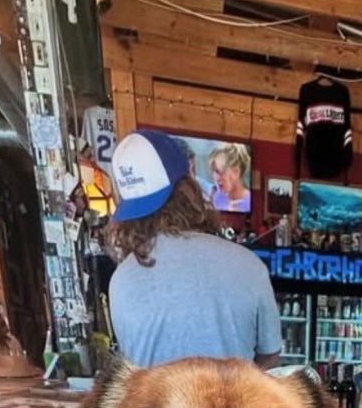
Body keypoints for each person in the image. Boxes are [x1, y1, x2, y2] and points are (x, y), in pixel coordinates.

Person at [106, 130, 281, 370]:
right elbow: (269, 359)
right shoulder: (249, 266)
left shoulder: (120, 281)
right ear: (189, 184)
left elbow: (129, 369)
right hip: (235, 405)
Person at [208, 142, 251, 213]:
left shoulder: (249, 202)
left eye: (221, 172)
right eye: (215, 171)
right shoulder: (217, 197)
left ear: (236, 172)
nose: (216, 178)